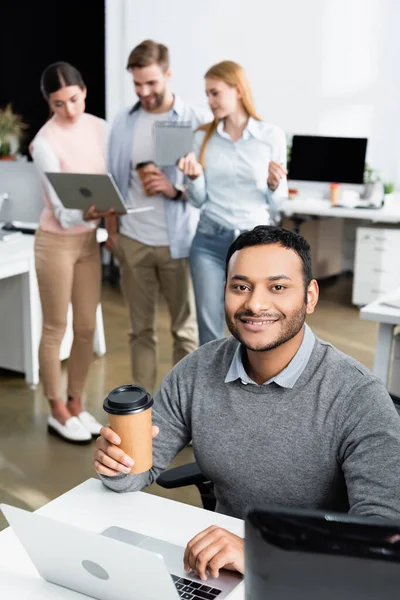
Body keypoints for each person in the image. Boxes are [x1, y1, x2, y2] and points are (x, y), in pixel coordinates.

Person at [94, 225, 400, 579]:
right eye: (241, 287)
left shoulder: (357, 396)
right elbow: (138, 472)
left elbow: (381, 537)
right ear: (224, 290)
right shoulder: (197, 371)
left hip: (313, 575)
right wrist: (115, 464)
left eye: (278, 287)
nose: (255, 303)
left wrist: (261, 553)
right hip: (219, 568)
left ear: (310, 296)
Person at [105, 40, 209, 392]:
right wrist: (113, 234)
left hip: (179, 241)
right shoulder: (123, 122)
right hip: (133, 239)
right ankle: (143, 410)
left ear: (168, 74)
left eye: (151, 83)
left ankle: (183, 408)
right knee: (140, 330)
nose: (144, 92)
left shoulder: (195, 121)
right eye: (137, 84)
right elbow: (113, 179)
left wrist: (173, 188)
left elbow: (208, 189)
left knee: (185, 330)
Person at [178, 61, 288, 346]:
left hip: (254, 244)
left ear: (238, 90)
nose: (209, 101)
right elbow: (198, 200)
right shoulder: (202, 137)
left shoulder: (270, 136)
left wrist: (274, 185)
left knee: (254, 322)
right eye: (207, 94)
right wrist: (194, 178)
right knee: (209, 326)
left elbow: (277, 204)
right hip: (209, 241)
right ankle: (210, 390)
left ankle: (249, 386)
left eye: (215, 93)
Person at [31, 62, 108, 443]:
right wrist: (90, 210)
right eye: (59, 104)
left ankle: (77, 403)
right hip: (56, 242)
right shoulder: (44, 143)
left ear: (84, 91)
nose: (70, 110)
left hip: (87, 242)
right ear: (50, 102)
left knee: (87, 327)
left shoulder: (100, 128)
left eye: (74, 100)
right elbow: (61, 211)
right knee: (55, 328)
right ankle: (57, 409)